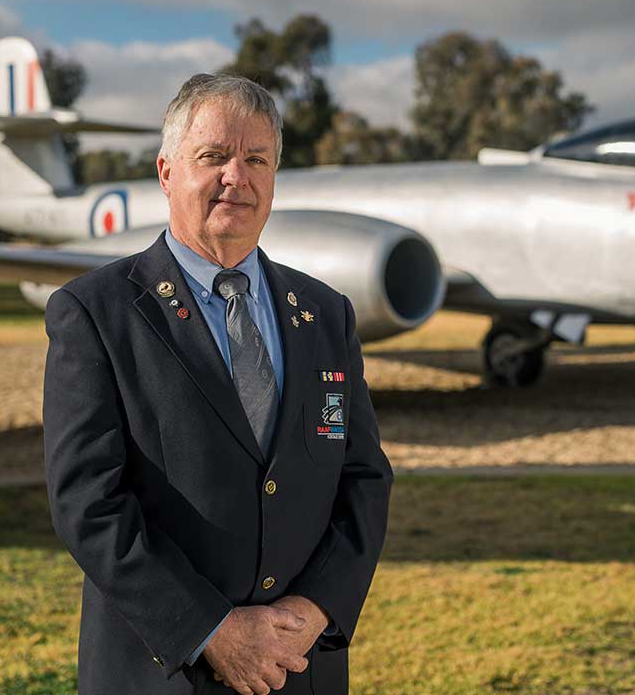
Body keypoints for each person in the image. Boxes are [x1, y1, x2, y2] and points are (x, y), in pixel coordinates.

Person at [42, 73, 393, 695]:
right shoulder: (96, 313)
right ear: (166, 172)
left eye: (257, 158)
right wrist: (214, 632)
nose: (238, 175)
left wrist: (313, 612)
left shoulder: (325, 313)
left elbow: (362, 476)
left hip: (300, 666)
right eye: (214, 157)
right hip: (168, 668)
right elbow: (89, 503)